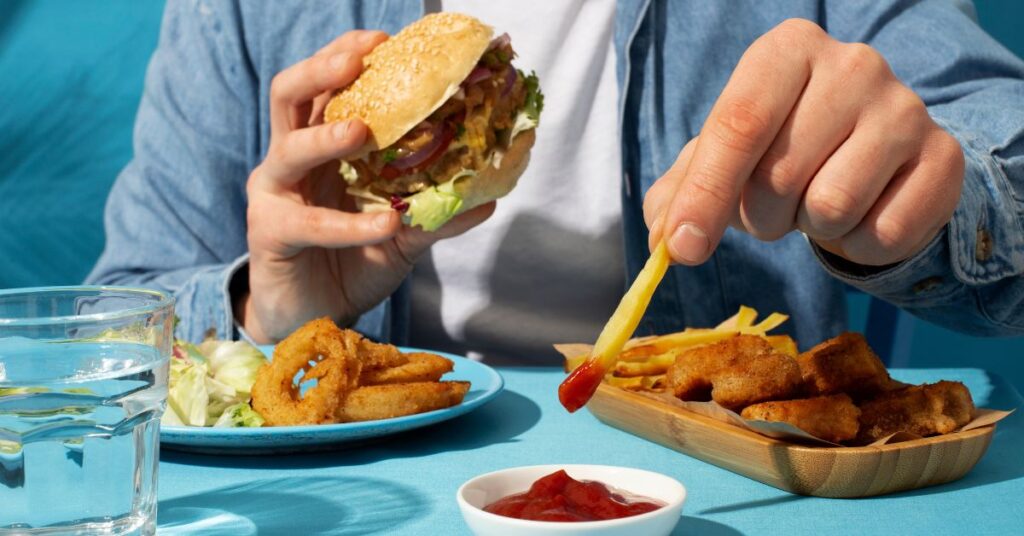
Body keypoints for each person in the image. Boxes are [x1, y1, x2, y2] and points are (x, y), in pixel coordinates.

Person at [87, 1, 1024, 364]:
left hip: (725, 488)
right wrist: (272, 314)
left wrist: (929, 195)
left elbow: (999, 151)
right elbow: (111, 322)